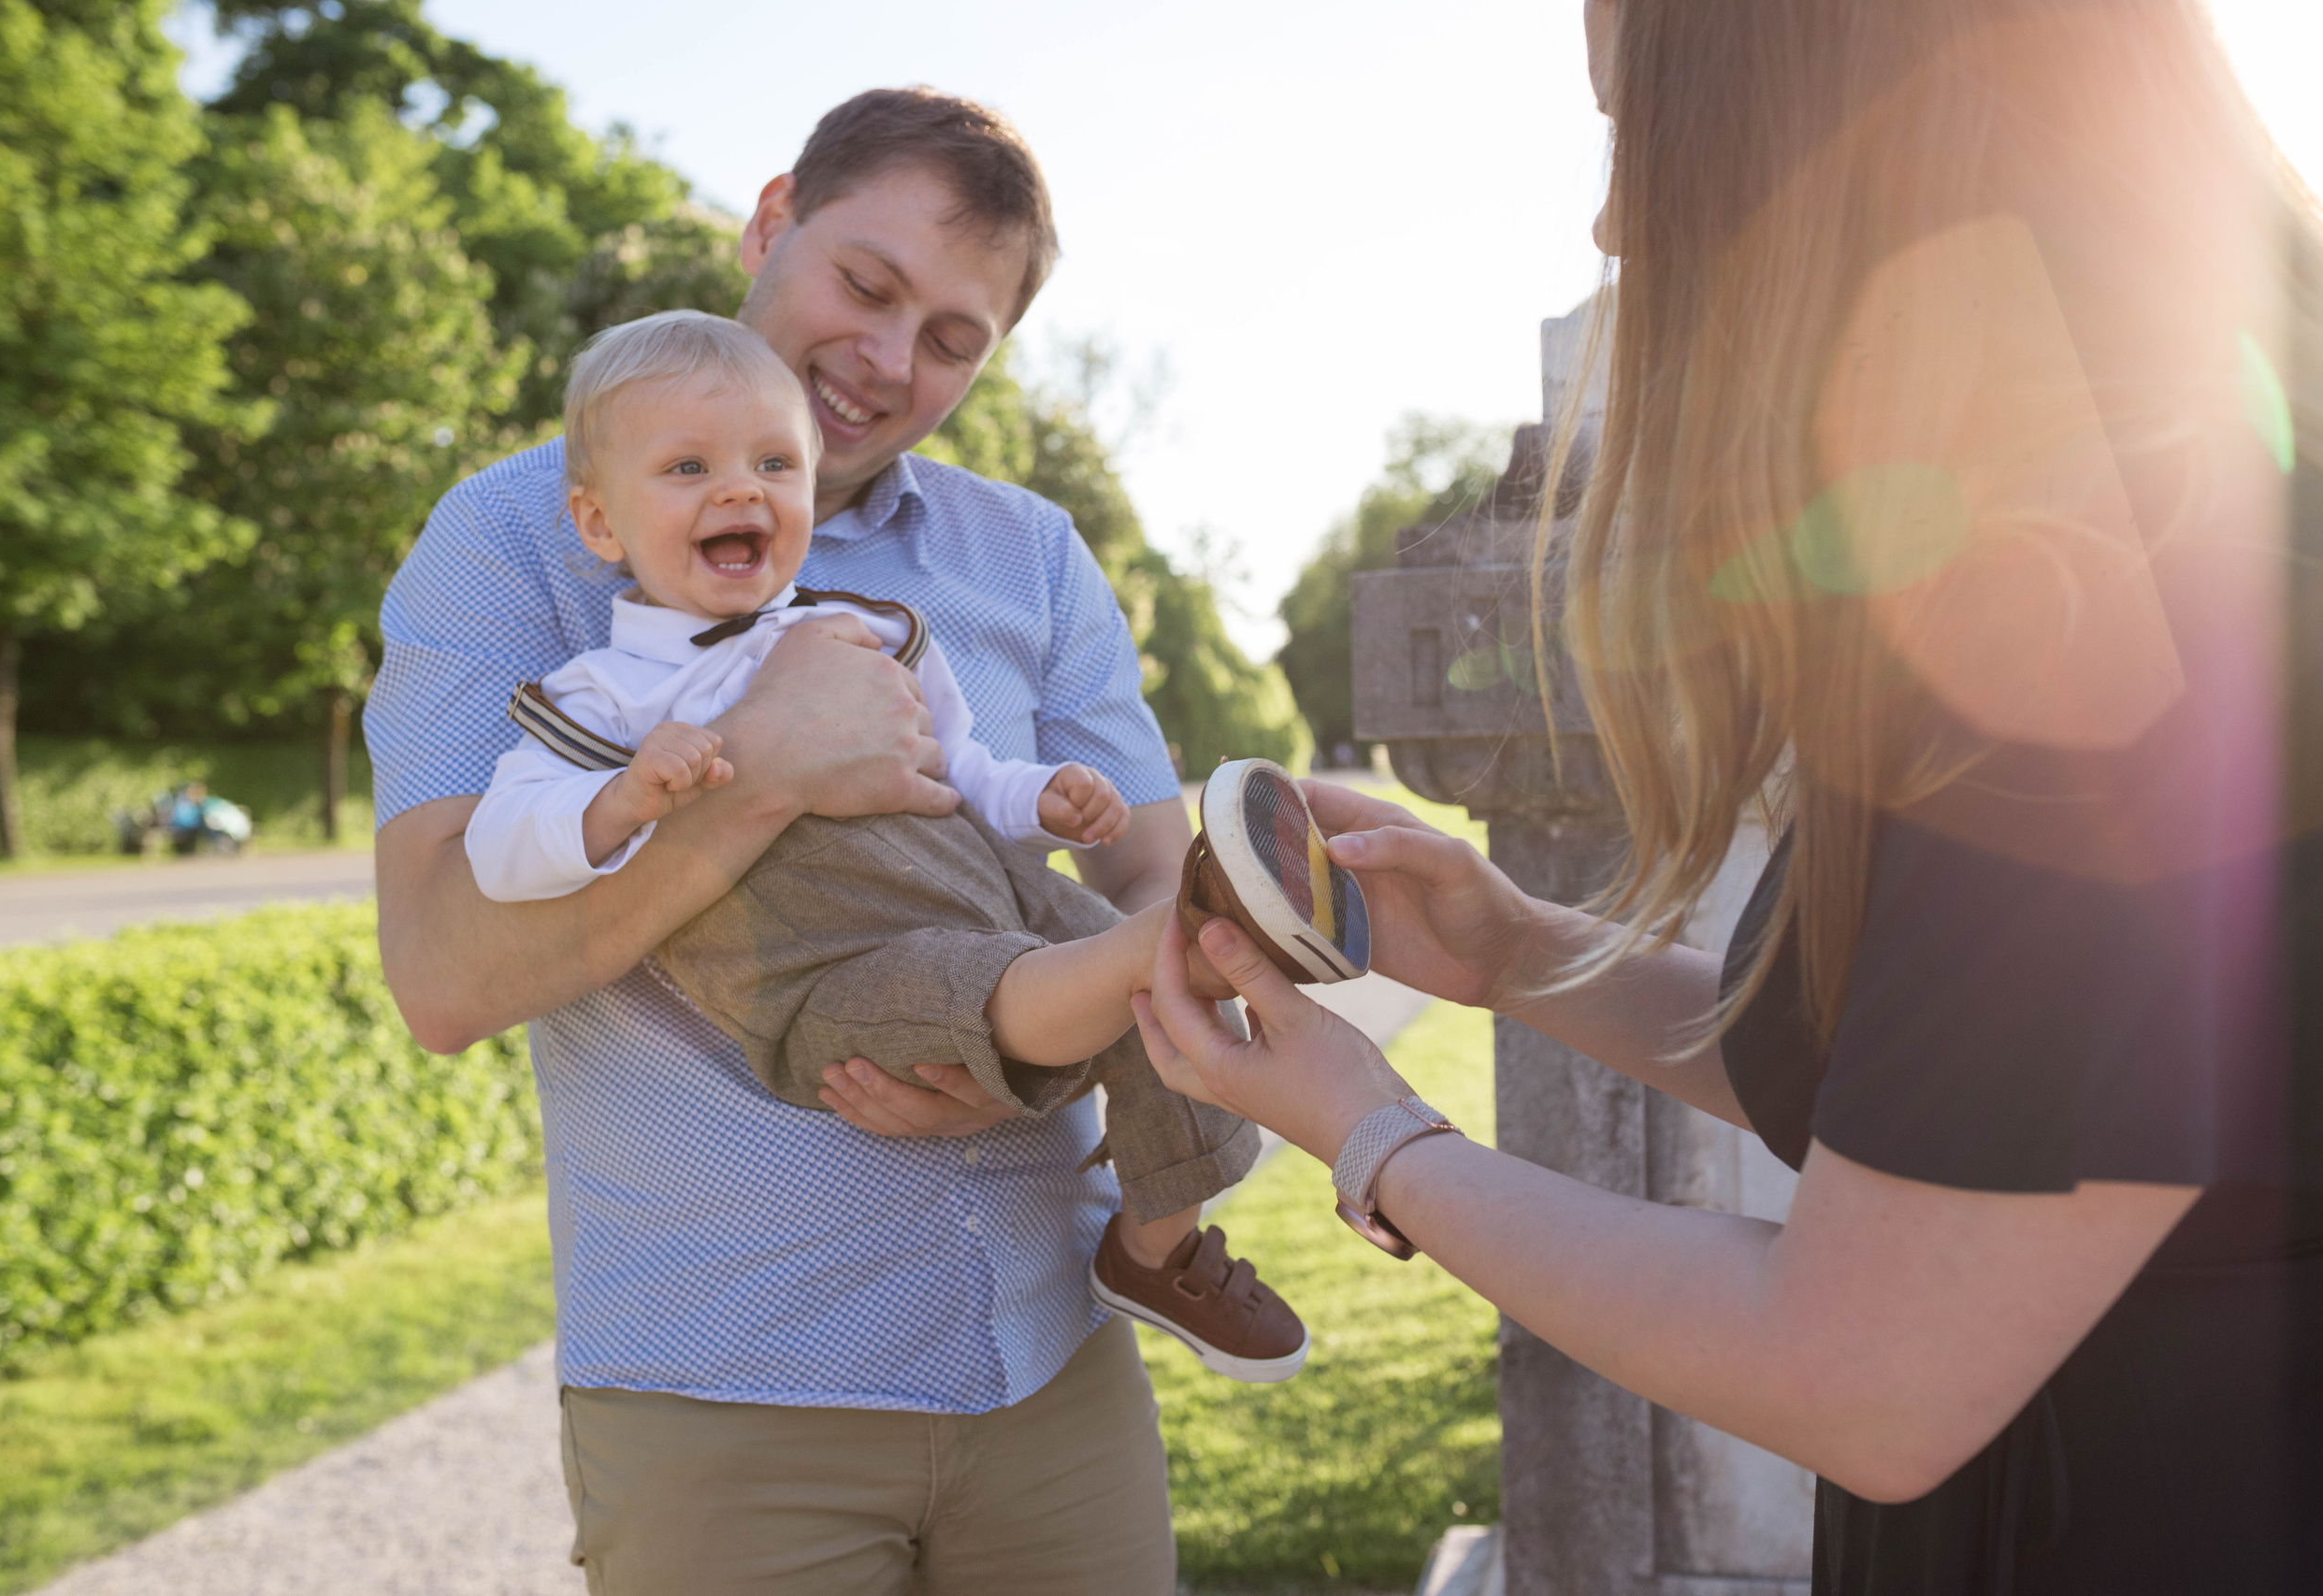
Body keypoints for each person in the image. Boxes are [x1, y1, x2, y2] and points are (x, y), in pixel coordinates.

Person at [1134, 2, 2321, 1591]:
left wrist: (1374, 1133)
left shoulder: (2101, 608)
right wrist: (1519, 956)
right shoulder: (2140, 518)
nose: (1615, 217)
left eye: (1638, 131)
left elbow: (1869, 1369)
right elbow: (1945, 1108)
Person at [367, 90, 1215, 1593]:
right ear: (772, 222)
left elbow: (1153, 875)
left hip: (1057, 1366)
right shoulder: (512, 541)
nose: (890, 359)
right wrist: (756, 780)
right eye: (867, 284)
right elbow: (440, 973)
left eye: (954, 337)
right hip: (730, 1390)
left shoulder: (1026, 553)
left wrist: (1033, 1049)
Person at [462, 308, 1306, 1384]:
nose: (739, 490)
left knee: (1167, 986)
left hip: (990, 892)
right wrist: (620, 804)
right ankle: (1194, 946)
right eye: (687, 467)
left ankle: (1156, 1247)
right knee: (1124, 964)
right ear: (598, 523)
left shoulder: (869, 632)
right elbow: (501, 850)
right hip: (834, 977)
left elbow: (963, 770)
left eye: (775, 463)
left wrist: (1044, 798)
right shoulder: (605, 699)